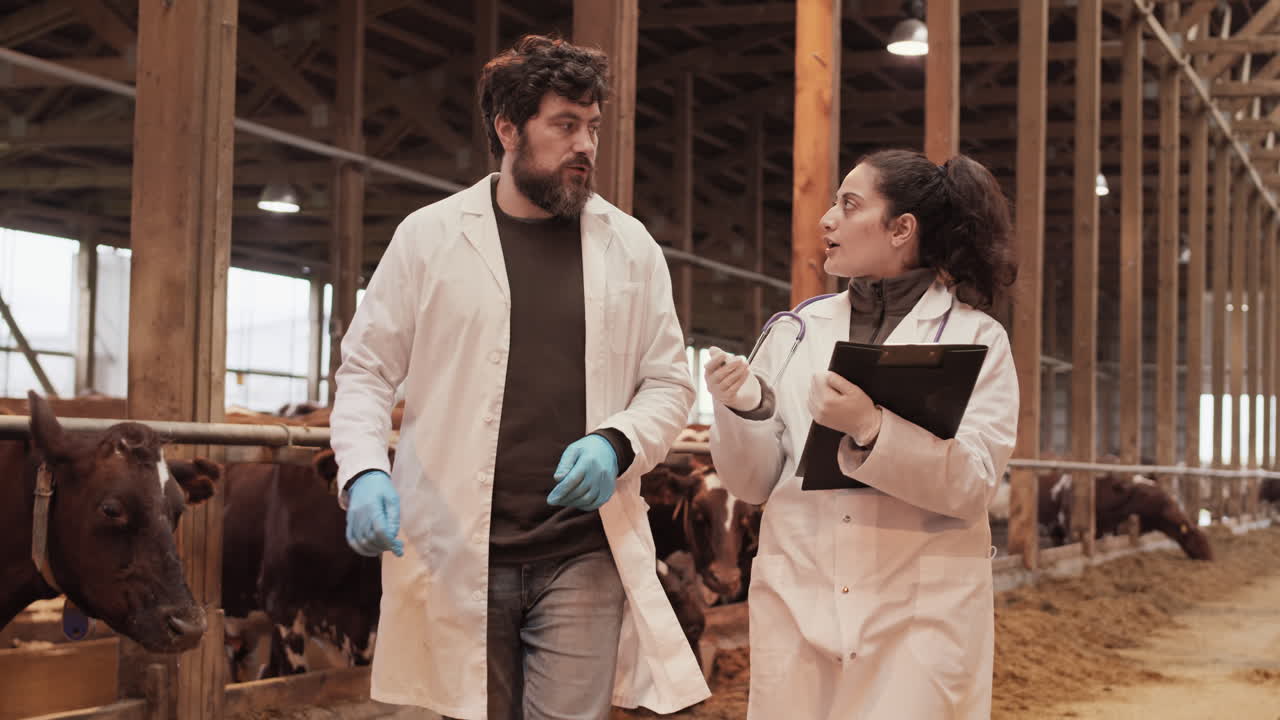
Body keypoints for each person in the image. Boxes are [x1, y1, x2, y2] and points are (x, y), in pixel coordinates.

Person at [328, 34, 709, 720]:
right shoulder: (430, 238)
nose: (584, 144)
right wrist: (363, 472)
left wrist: (617, 443)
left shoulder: (630, 247)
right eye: (564, 125)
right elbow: (365, 372)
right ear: (508, 128)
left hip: (581, 550)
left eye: (591, 126)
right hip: (460, 547)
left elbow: (669, 382)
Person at [705, 149, 1019, 719]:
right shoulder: (794, 331)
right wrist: (743, 409)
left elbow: (974, 485)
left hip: (919, 613)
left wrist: (873, 430)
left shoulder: (978, 340)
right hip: (798, 600)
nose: (827, 220)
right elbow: (752, 483)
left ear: (902, 229)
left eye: (848, 206)